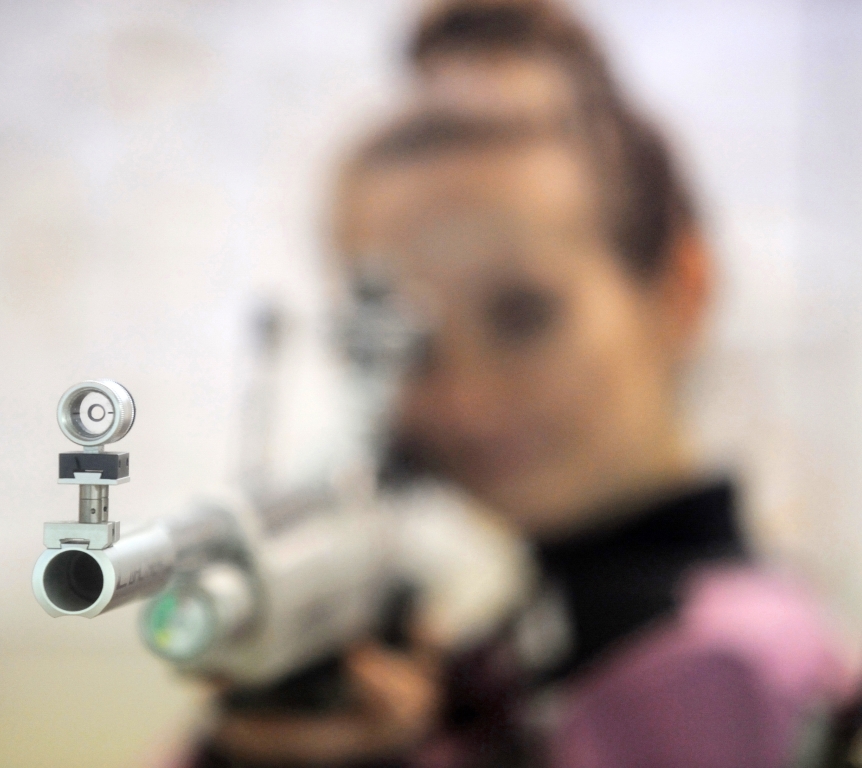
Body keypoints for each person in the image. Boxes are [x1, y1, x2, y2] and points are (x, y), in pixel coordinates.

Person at [192, 2, 860, 766]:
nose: (467, 400)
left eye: (524, 316)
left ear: (681, 287)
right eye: (409, 347)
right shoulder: (507, 658)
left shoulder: (719, 672)